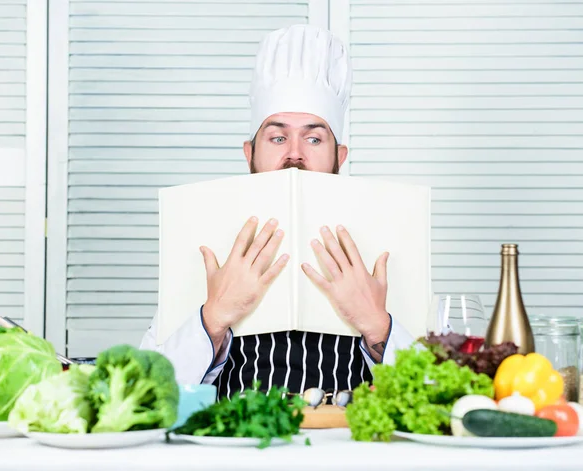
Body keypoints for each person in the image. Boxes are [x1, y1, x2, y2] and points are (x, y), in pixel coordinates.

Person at [141, 24, 414, 400]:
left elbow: (435, 397)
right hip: (237, 452)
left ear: (341, 157)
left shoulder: (389, 241)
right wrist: (214, 317)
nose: (295, 154)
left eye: (314, 138)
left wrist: (377, 325)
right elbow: (147, 394)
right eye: (278, 137)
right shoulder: (204, 241)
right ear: (249, 153)